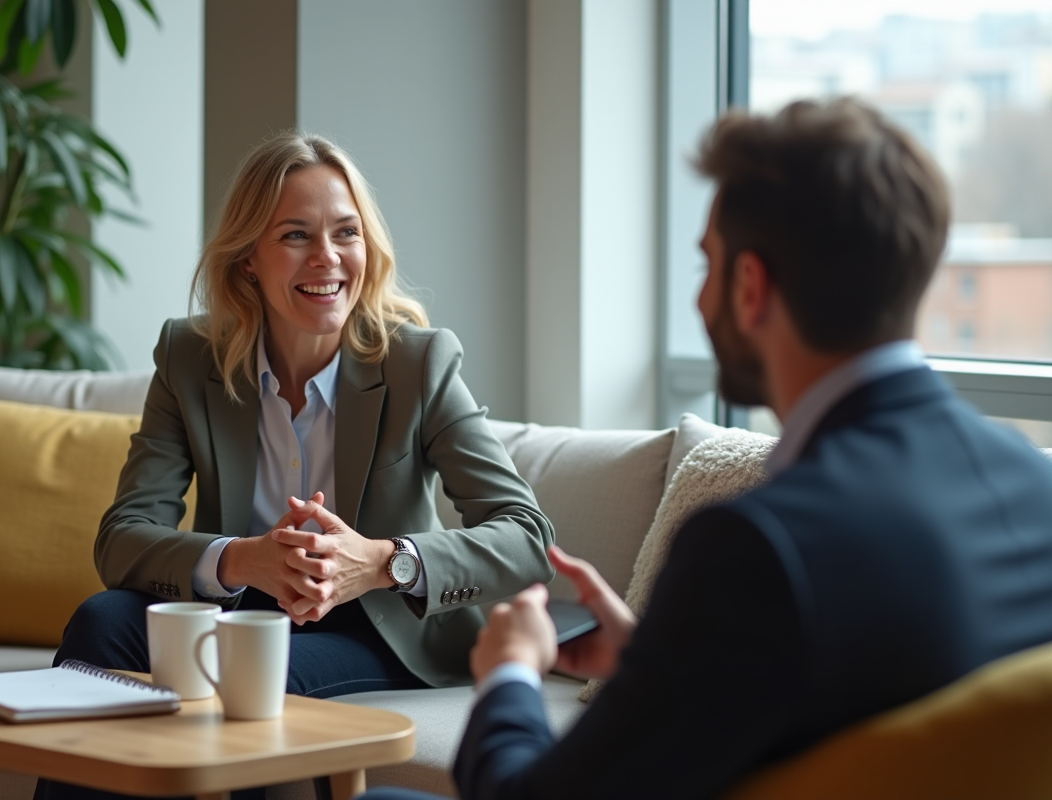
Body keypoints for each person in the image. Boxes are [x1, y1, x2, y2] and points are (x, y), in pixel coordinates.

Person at [362, 98, 1052, 800]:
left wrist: (509, 671)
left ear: (750, 288)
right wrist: (657, 662)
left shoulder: (761, 545)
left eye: (707, 267)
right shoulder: (1033, 485)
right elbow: (866, 684)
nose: (698, 302)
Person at [39, 132, 554, 800]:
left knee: (251, 671)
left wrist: (378, 561)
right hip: (240, 605)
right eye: (295, 236)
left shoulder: (417, 364)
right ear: (248, 259)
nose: (328, 258)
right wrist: (243, 560)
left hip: (378, 624)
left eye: (347, 233)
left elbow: (526, 534)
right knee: (101, 622)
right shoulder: (190, 358)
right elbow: (123, 537)